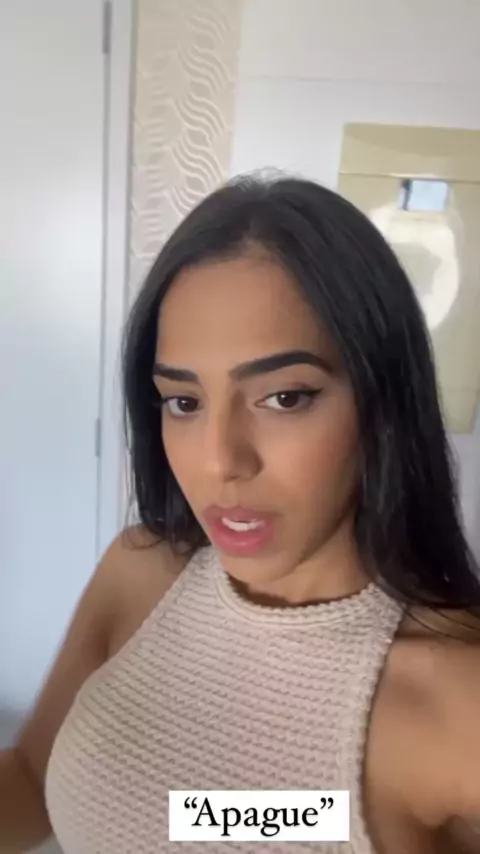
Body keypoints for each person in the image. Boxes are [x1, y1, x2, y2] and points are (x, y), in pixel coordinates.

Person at [1, 175, 479, 854]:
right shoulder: (141, 574)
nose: (219, 461)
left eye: (285, 398)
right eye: (184, 402)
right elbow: (34, 778)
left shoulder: (454, 702)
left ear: (383, 401)